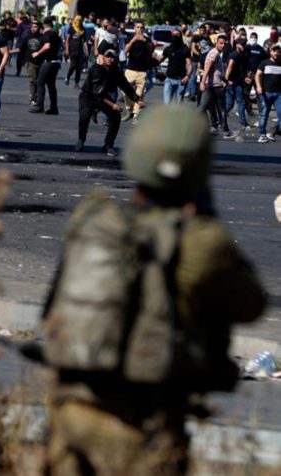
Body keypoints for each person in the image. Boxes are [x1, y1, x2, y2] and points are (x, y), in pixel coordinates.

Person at [38, 103, 265, 476]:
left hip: (71, 407)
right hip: (142, 419)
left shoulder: (97, 219)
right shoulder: (202, 240)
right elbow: (251, 304)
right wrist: (206, 219)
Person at [76, 48, 145, 156]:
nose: (110, 59)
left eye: (112, 57)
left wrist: (137, 100)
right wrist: (113, 104)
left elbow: (125, 86)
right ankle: (81, 139)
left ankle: (108, 145)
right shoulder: (96, 70)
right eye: (108, 56)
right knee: (84, 117)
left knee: (115, 117)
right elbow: (97, 93)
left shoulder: (116, 71)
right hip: (88, 97)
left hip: (103, 97)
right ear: (104, 57)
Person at [198, 34, 230, 135]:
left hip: (216, 84)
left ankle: (224, 130)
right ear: (216, 43)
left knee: (219, 109)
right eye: (220, 43)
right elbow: (207, 68)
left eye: (224, 44)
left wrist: (224, 80)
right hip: (211, 86)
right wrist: (203, 82)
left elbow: (217, 71)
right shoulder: (214, 53)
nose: (223, 45)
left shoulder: (217, 53)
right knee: (206, 108)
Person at [30, 16, 62, 114]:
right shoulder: (55, 34)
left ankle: (39, 105)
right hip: (56, 62)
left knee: (40, 82)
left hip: (49, 62)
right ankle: (54, 108)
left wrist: (38, 53)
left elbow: (47, 46)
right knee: (51, 85)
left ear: (44, 25)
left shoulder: (47, 34)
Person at [254, 43, 281, 143]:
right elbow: (257, 75)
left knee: (280, 113)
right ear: (271, 52)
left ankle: (275, 131)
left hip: (279, 94)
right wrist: (259, 86)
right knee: (264, 114)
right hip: (266, 93)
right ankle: (262, 134)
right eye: (274, 51)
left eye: (278, 51)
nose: (276, 53)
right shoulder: (264, 63)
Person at [161, 29, 192, 103]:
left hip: (180, 80)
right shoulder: (168, 49)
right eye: (174, 34)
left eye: (177, 34)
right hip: (169, 79)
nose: (175, 36)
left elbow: (189, 65)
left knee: (178, 106)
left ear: (181, 36)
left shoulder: (185, 49)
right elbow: (160, 59)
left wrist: (187, 76)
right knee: (167, 104)